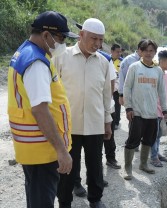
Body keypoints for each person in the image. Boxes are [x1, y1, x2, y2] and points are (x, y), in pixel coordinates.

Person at [7, 11, 77, 208]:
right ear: (46, 35)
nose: (63, 43)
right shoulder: (36, 62)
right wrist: (61, 151)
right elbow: (40, 110)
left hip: (33, 148)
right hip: (42, 149)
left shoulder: (25, 52)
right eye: (61, 38)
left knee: (37, 197)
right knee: (42, 201)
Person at [54, 18, 112, 208]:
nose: (97, 44)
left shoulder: (104, 62)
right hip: (68, 124)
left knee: (95, 164)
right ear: (81, 35)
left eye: (101, 40)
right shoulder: (62, 57)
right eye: (93, 38)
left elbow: (106, 95)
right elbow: (53, 91)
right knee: (68, 166)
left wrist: (107, 121)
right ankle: (64, 202)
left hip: (95, 124)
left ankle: (95, 199)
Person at [123, 39, 167, 180]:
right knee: (133, 140)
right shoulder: (135, 67)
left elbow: (162, 92)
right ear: (140, 52)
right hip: (137, 112)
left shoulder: (158, 71)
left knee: (149, 140)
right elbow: (127, 87)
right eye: (146, 50)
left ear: (155, 52)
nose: (148, 53)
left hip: (152, 113)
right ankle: (128, 167)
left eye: (151, 51)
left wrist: (165, 110)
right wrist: (128, 107)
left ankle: (143, 164)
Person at [150, 50, 167, 167]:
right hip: (154, 108)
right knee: (154, 134)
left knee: (159, 134)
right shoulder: (154, 72)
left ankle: (156, 153)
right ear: (162, 61)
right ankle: (153, 157)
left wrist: (166, 109)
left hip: (163, 109)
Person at [111, 44, 123, 130]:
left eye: (120, 52)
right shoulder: (106, 60)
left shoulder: (122, 62)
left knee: (117, 105)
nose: (119, 53)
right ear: (112, 51)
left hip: (117, 88)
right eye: (117, 52)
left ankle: (116, 122)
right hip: (108, 86)